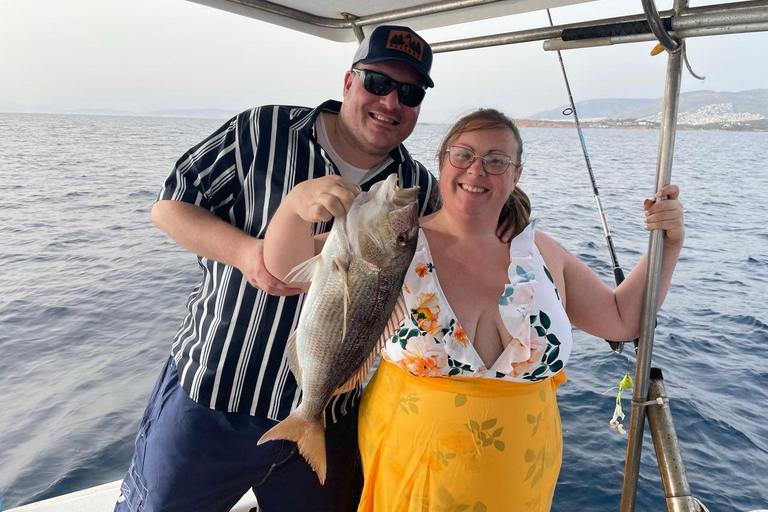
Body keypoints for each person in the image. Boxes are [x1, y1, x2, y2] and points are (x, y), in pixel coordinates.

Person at [263, 108, 685, 512]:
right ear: (443, 163)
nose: (476, 170)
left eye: (496, 160)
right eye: (463, 154)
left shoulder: (540, 252)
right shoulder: (391, 245)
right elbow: (282, 268)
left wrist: (668, 244)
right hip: (412, 477)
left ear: (517, 174)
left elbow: (623, 318)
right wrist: (295, 207)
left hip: (520, 483)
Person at [114, 25, 442, 512]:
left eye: (410, 93)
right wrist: (248, 253)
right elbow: (169, 206)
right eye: (377, 83)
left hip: (331, 410)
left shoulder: (416, 186)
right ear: (348, 82)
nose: (391, 102)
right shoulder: (260, 131)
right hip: (216, 395)